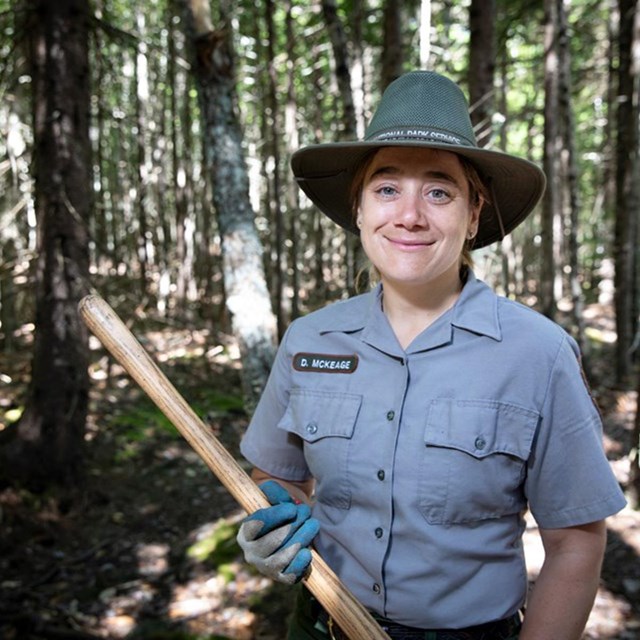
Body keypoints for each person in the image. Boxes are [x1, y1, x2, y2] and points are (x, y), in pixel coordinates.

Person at [236, 71, 627, 640]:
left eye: (440, 191)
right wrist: (273, 522)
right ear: (360, 210)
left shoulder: (538, 354)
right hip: (319, 626)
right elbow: (278, 476)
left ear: (473, 215)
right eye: (387, 188)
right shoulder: (309, 340)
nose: (411, 214)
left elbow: (575, 542)